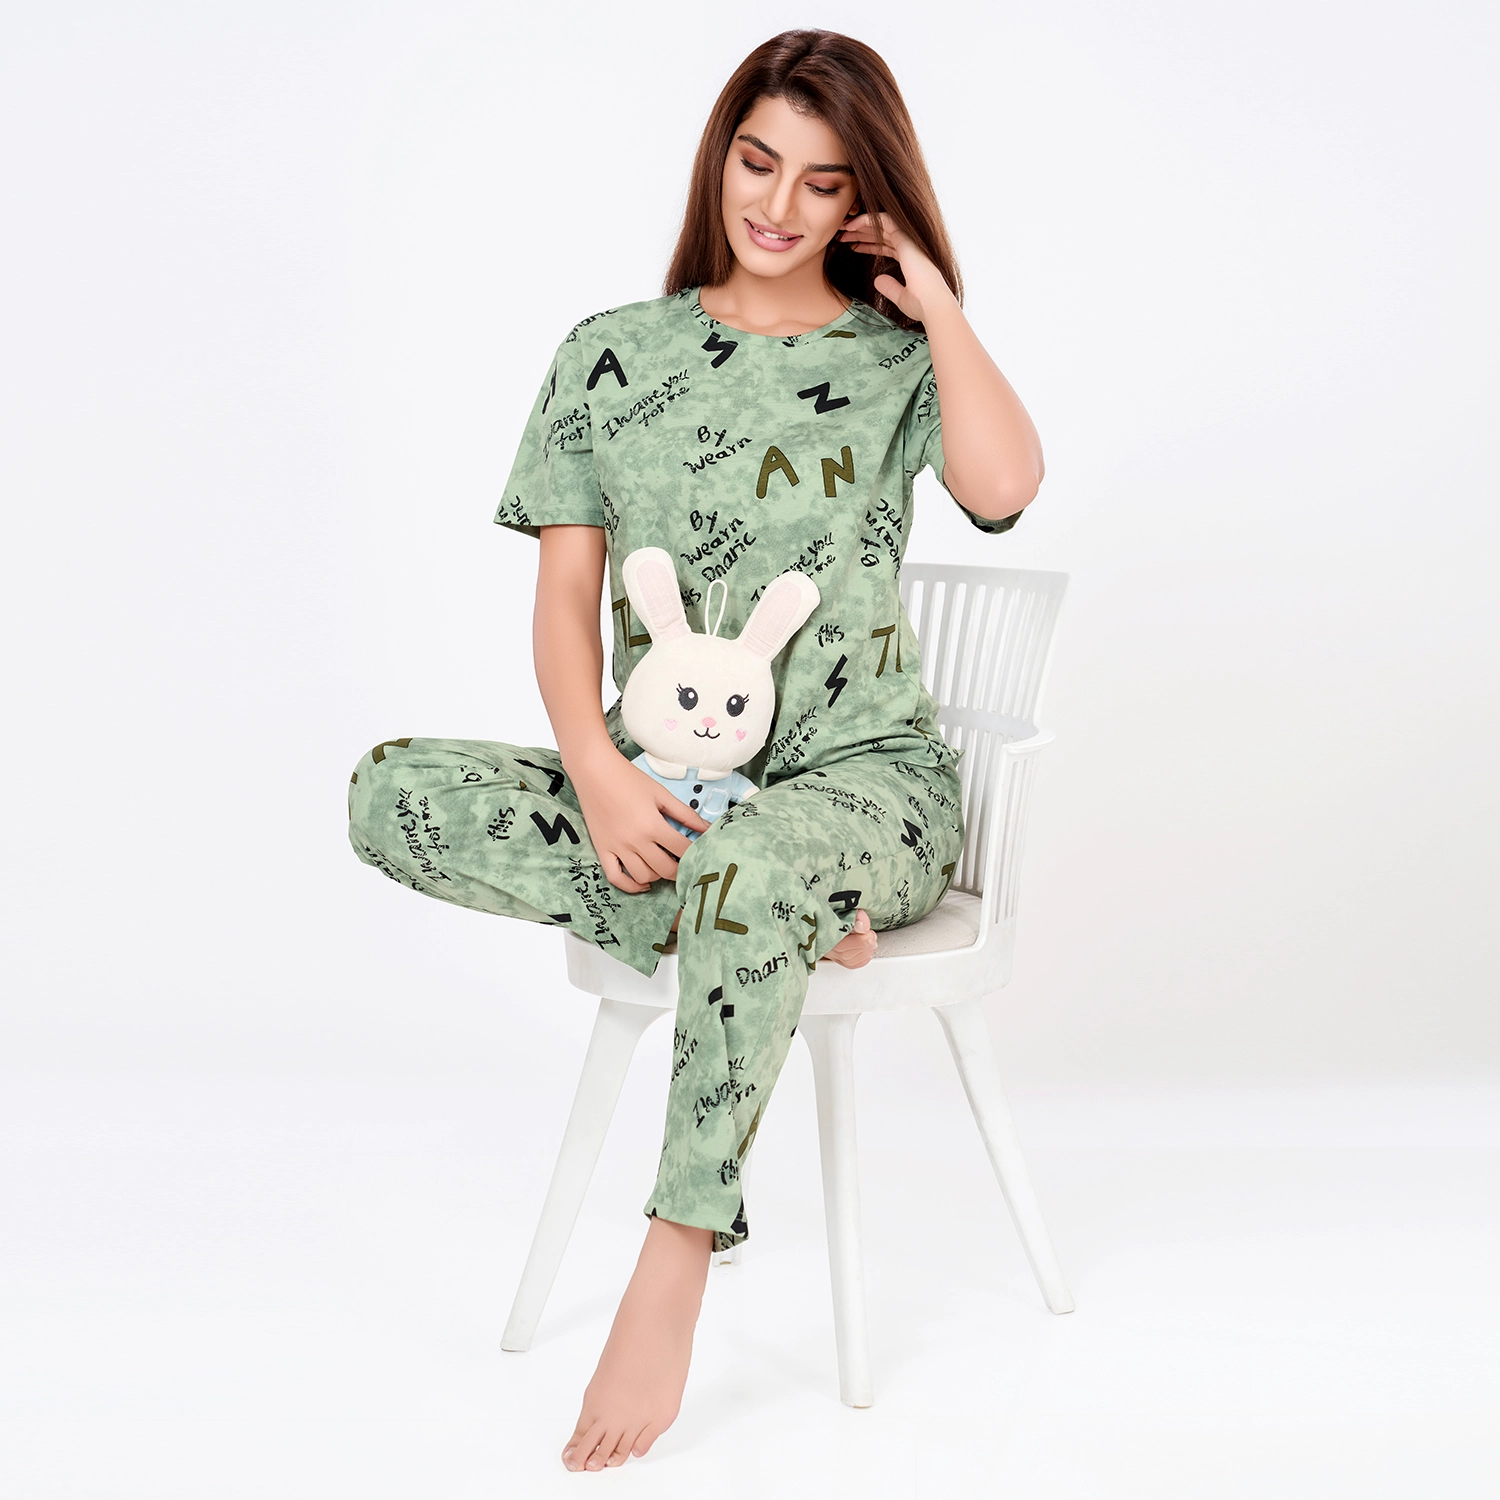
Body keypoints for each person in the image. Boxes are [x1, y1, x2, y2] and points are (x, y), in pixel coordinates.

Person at [346, 27, 1044, 1475]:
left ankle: (673, 1260)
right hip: (661, 793)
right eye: (757, 161)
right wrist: (602, 776)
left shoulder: (895, 358)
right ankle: (774, 920)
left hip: (866, 791)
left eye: (822, 181)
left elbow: (1006, 487)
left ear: (865, 198)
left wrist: (937, 302)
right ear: (719, 153)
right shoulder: (612, 354)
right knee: (388, 794)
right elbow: (563, 601)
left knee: (755, 866)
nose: (778, 206)